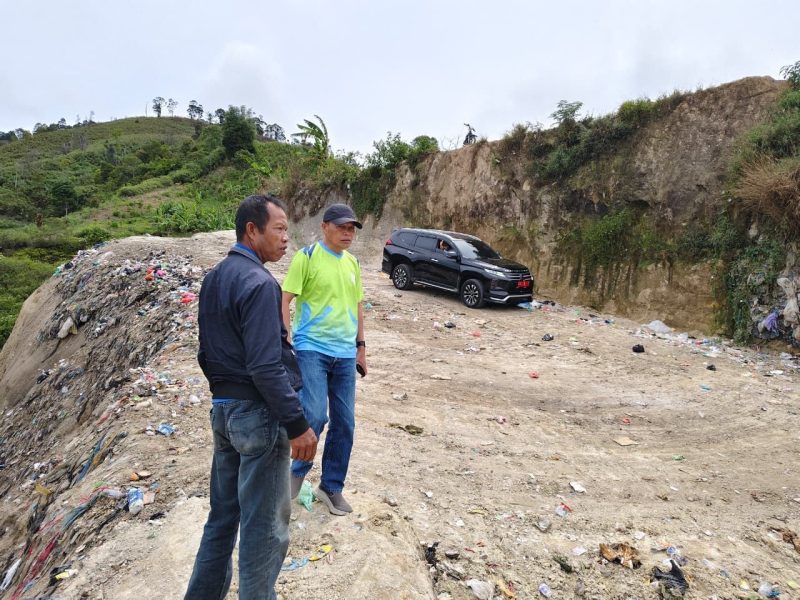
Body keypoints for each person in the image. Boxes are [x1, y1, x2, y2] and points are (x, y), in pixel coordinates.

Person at [185, 194, 318, 600]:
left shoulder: (215, 278)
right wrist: (298, 425)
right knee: (264, 528)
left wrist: (226, 398)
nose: (285, 240)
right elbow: (265, 366)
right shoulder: (260, 283)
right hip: (258, 418)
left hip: (224, 413)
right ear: (252, 230)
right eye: (279, 229)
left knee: (222, 518)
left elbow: (205, 353)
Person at [281, 203, 366, 516]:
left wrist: (361, 347)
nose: (348, 233)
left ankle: (331, 487)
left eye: (352, 228)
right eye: (342, 227)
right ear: (325, 227)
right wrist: (285, 340)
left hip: (345, 355)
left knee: (345, 423)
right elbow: (285, 298)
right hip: (311, 348)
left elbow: (358, 307)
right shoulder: (306, 257)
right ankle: (296, 472)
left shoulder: (353, 263)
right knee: (314, 414)